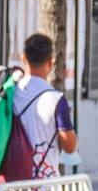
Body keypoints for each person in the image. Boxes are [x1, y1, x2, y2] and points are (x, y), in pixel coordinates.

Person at [15, 33, 78, 180]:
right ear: (50, 62)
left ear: (23, 58)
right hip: (45, 190)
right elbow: (70, 147)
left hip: (12, 189)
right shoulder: (56, 99)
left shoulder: (10, 94)